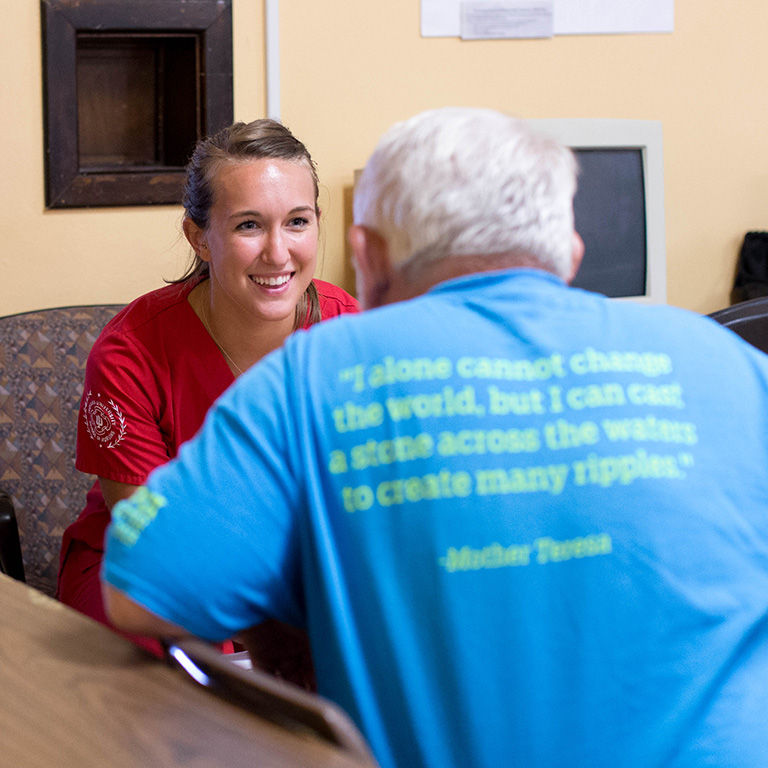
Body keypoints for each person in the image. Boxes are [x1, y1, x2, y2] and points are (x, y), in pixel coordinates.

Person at [102, 108, 768, 768]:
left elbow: (140, 592)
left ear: (365, 254)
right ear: (570, 251)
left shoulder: (319, 372)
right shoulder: (733, 360)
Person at [58, 119, 358, 658]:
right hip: (146, 577)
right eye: (248, 225)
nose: (278, 252)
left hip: (299, 569)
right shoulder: (131, 354)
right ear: (200, 237)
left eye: (297, 221)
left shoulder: (347, 332)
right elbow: (153, 544)